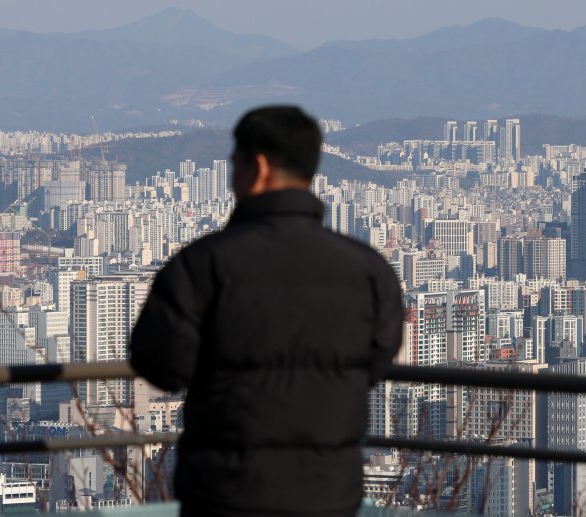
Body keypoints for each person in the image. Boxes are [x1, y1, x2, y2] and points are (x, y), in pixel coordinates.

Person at [129, 105, 404, 516]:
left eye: (233, 163)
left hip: (226, 492)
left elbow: (160, 365)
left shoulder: (200, 266)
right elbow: (376, 363)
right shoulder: (369, 271)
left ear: (257, 166)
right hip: (329, 493)